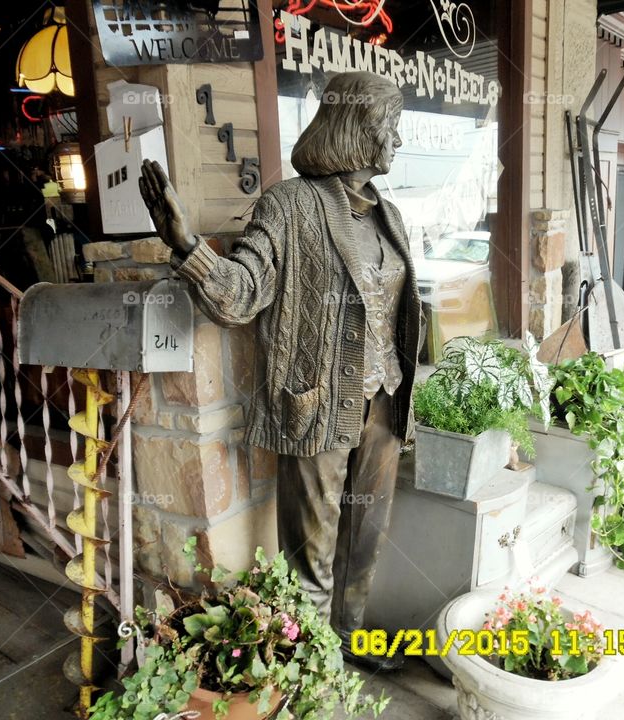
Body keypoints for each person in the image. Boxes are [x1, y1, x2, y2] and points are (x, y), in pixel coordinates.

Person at [138, 71, 421, 671]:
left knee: (366, 535)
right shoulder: (290, 205)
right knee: (311, 549)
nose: (398, 138)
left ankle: (348, 637)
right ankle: (312, 666)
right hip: (319, 404)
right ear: (356, 127)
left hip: (385, 401)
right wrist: (189, 248)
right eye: (390, 125)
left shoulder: (389, 215)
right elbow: (240, 295)